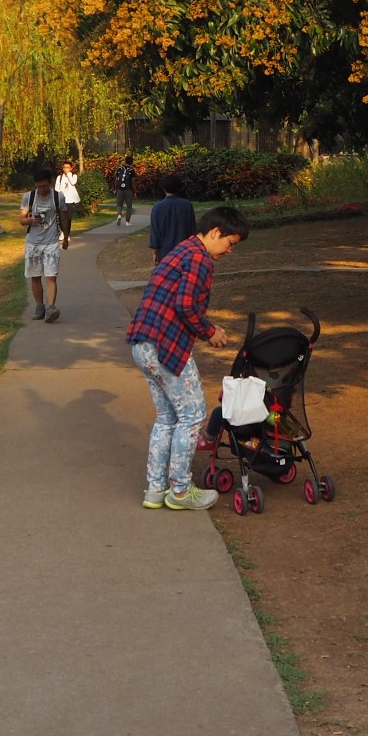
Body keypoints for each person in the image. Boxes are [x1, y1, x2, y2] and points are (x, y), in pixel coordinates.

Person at [126, 206, 249, 509]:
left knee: (168, 417)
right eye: (230, 243)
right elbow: (185, 306)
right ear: (216, 233)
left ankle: (155, 489)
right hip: (165, 347)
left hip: (143, 344)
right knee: (193, 415)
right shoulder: (199, 258)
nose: (229, 251)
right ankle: (180, 490)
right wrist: (210, 332)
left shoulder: (182, 249)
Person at [20, 167, 72, 321]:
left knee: (51, 276)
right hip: (33, 243)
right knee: (35, 276)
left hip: (51, 242)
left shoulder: (58, 197)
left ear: (50, 183)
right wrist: (30, 220)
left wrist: (66, 237)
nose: (42, 189)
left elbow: (64, 218)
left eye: (45, 186)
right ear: (35, 185)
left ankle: (51, 308)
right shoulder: (28, 197)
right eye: (39, 186)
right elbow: (22, 220)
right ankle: (39, 306)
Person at [148, 175, 198, 264]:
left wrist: (154, 252)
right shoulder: (187, 205)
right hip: (185, 251)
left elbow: (155, 232)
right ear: (179, 187)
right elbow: (192, 230)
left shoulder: (157, 207)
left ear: (163, 188)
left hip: (165, 252)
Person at [113, 155, 137, 226]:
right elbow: (133, 182)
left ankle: (119, 215)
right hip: (128, 190)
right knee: (129, 206)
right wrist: (135, 192)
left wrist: (115, 188)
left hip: (120, 190)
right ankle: (127, 222)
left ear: (125, 161)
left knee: (119, 205)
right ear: (131, 162)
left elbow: (116, 180)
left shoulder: (119, 169)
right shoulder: (132, 170)